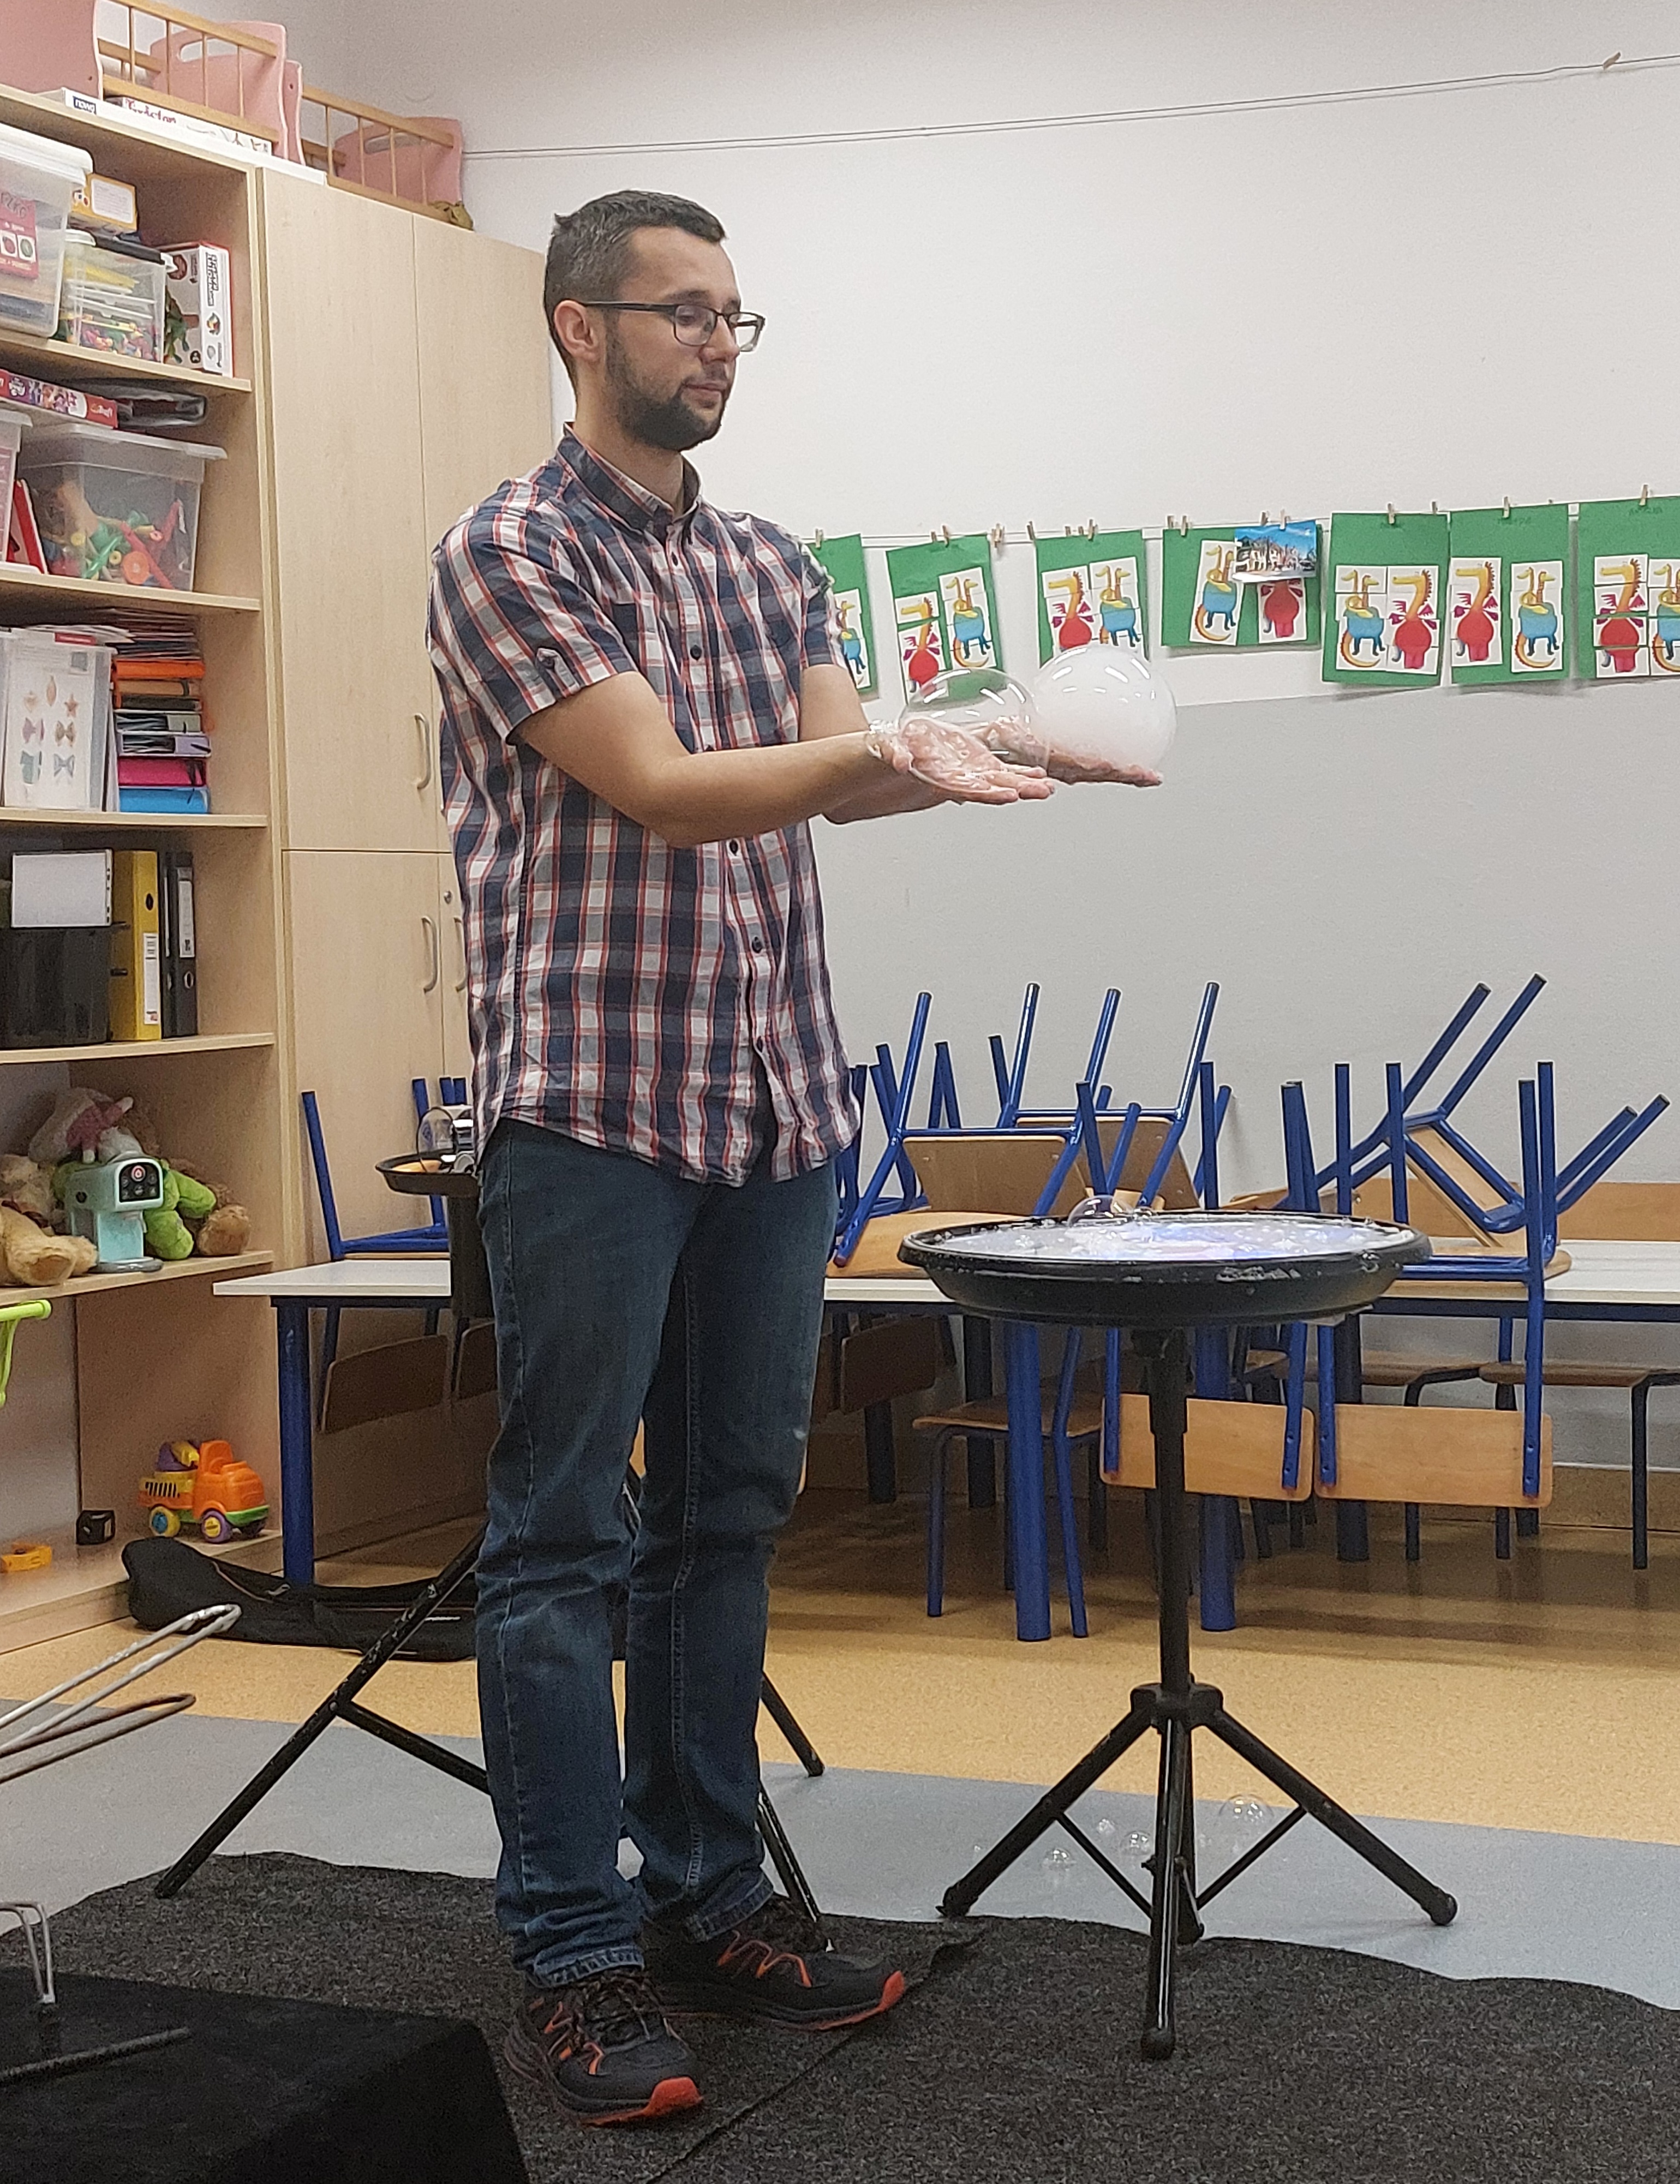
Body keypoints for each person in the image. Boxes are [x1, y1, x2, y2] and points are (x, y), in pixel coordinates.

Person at [427, 188, 1157, 2129]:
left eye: (738, 317)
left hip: (771, 1106)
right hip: (592, 1106)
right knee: (562, 1536)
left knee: (730, 1509)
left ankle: (709, 1899)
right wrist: (897, 749)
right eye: (683, 313)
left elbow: (838, 771)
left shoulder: (771, 561)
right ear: (580, 327)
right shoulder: (509, 552)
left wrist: (996, 742)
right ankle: (572, 1949)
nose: (717, 346)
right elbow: (667, 787)